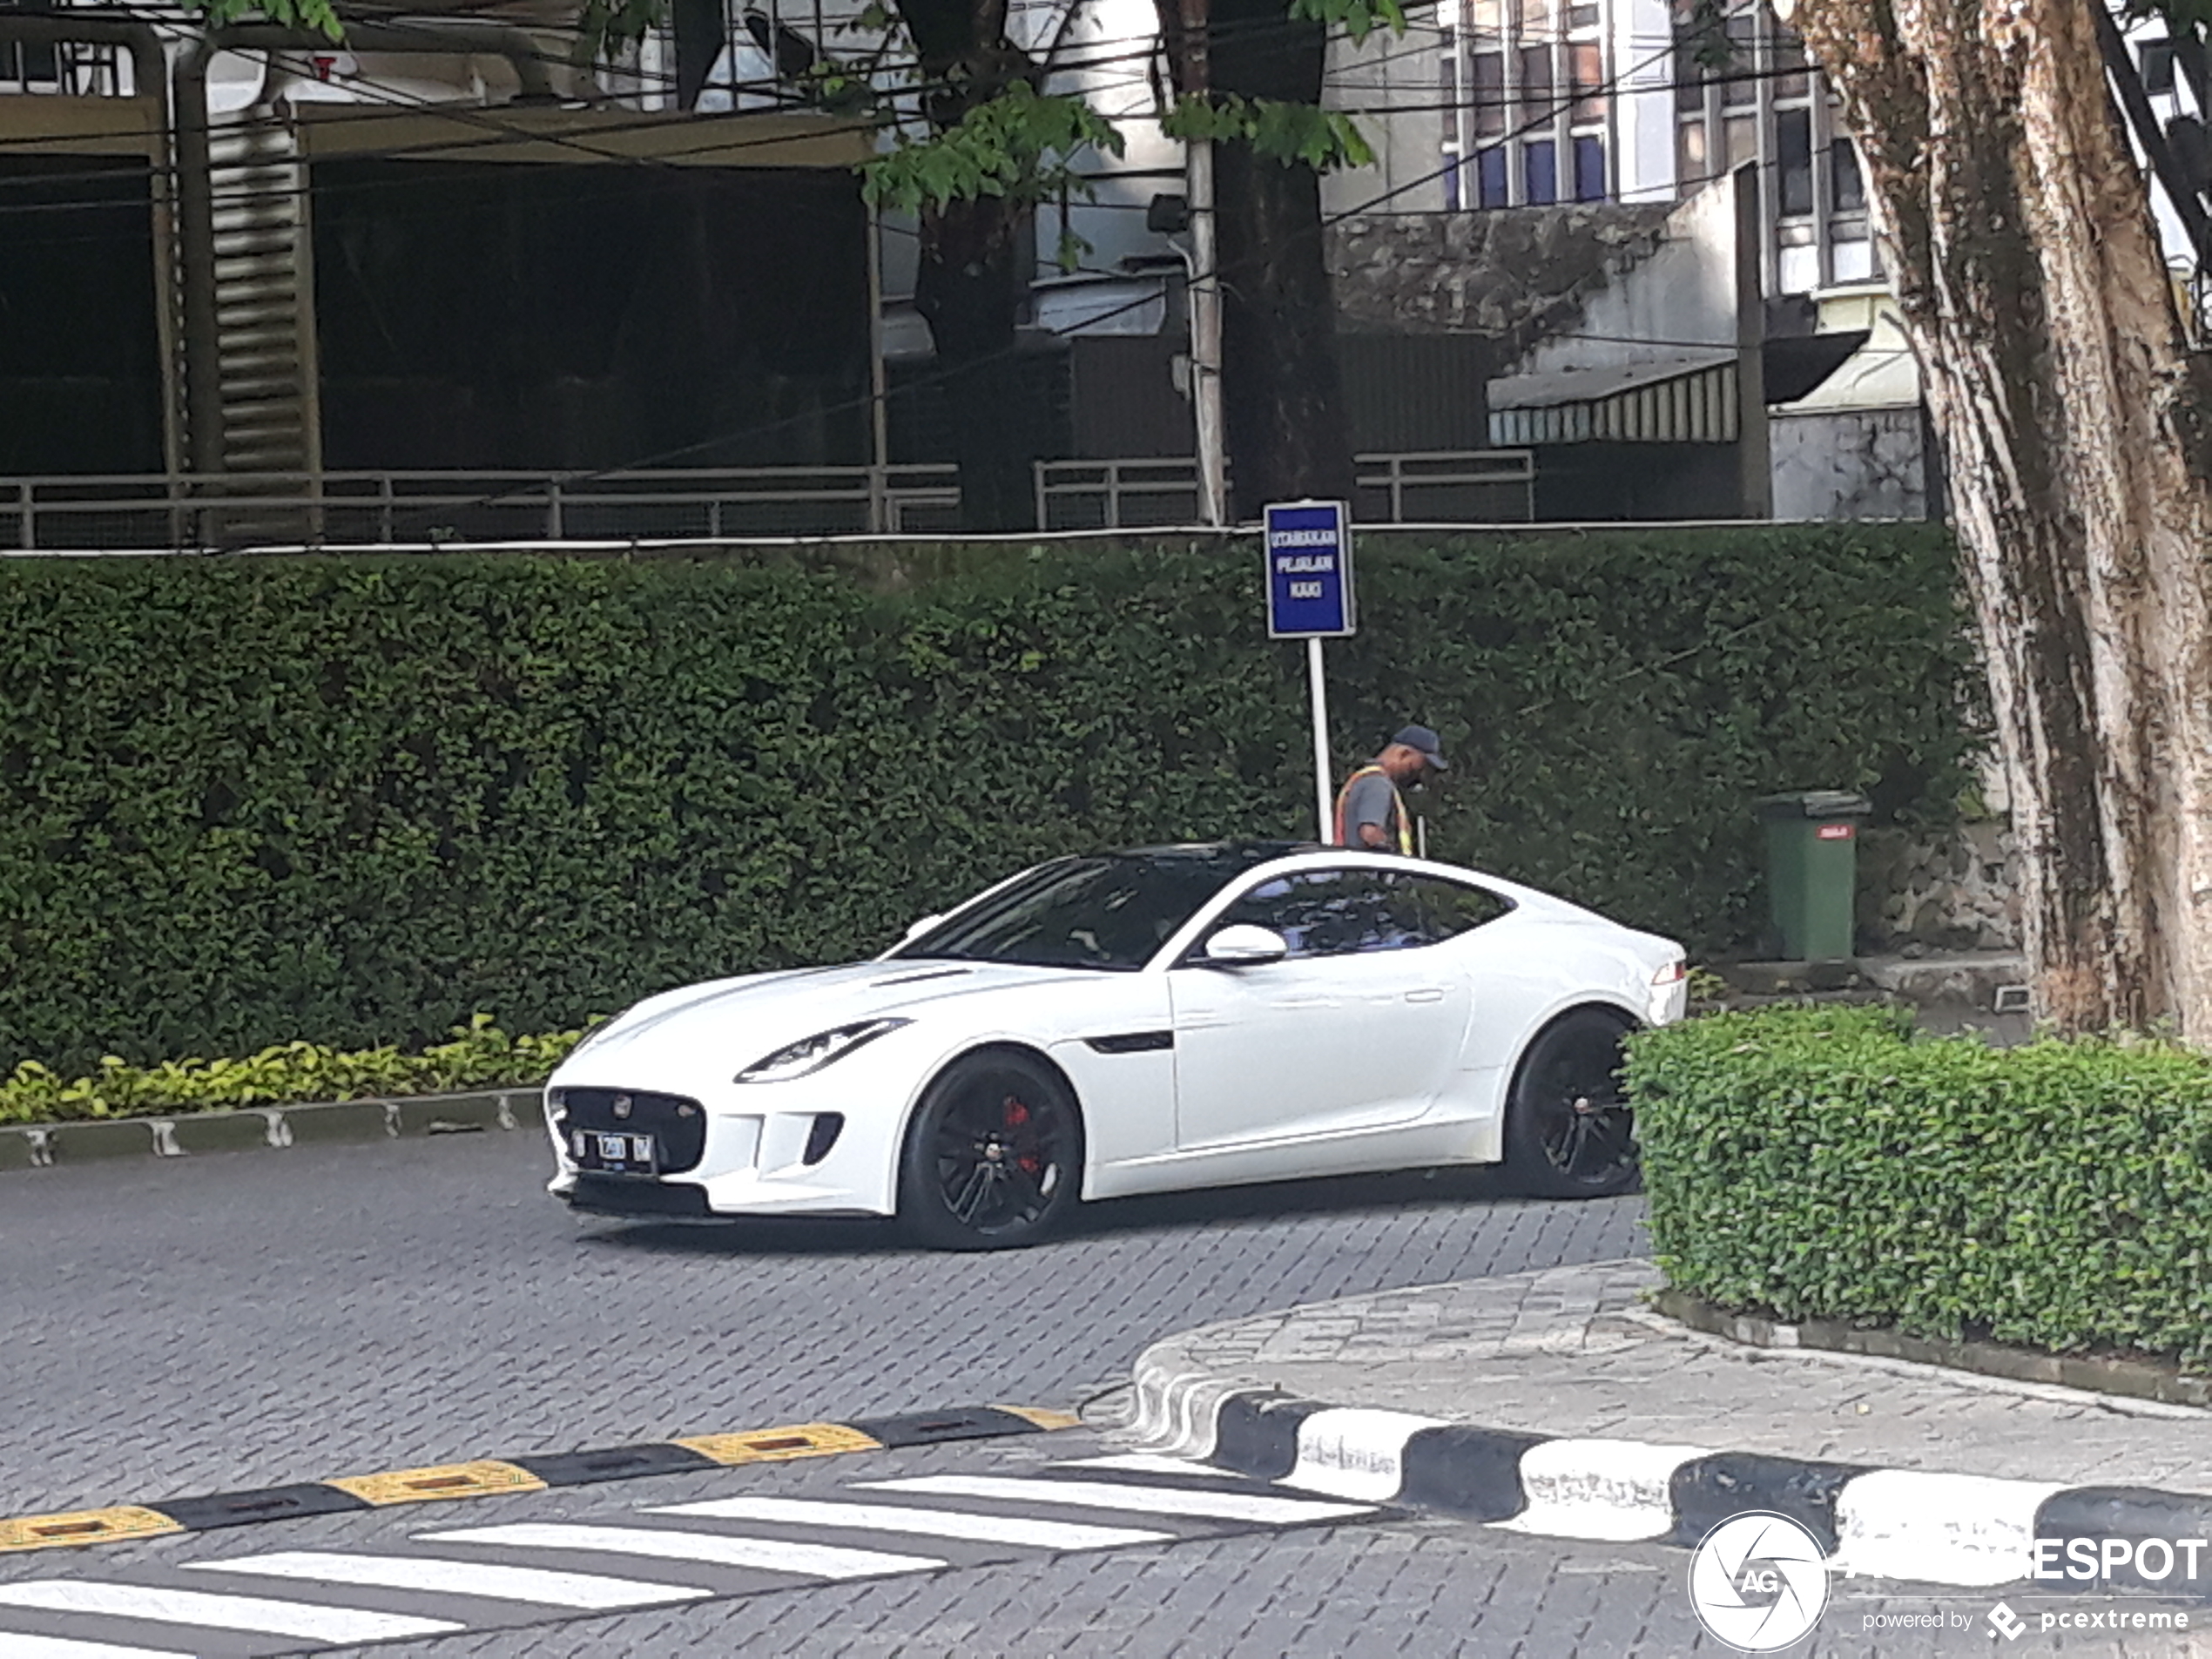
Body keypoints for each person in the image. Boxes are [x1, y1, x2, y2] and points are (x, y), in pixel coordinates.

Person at [1332, 725, 1449, 853]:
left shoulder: (1365, 780)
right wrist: (1392, 856)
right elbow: (1370, 833)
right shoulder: (1378, 784)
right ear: (1404, 754)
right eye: (1418, 768)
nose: (1419, 777)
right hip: (1369, 871)